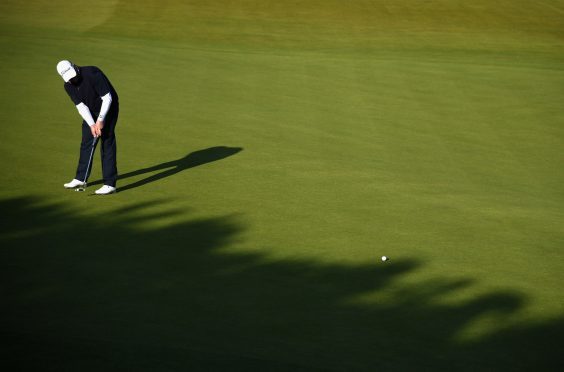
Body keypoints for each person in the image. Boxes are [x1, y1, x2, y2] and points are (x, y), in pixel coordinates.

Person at [57, 60, 119, 195]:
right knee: (87, 141)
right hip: (91, 110)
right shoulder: (68, 86)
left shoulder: (92, 73)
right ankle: (81, 178)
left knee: (106, 141)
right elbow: (81, 107)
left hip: (108, 107)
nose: (73, 80)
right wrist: (92, 124)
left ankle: (109, 184)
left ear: (75, 66)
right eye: (69, 79)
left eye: (73, 76)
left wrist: (101, 120)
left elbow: (107, 98)